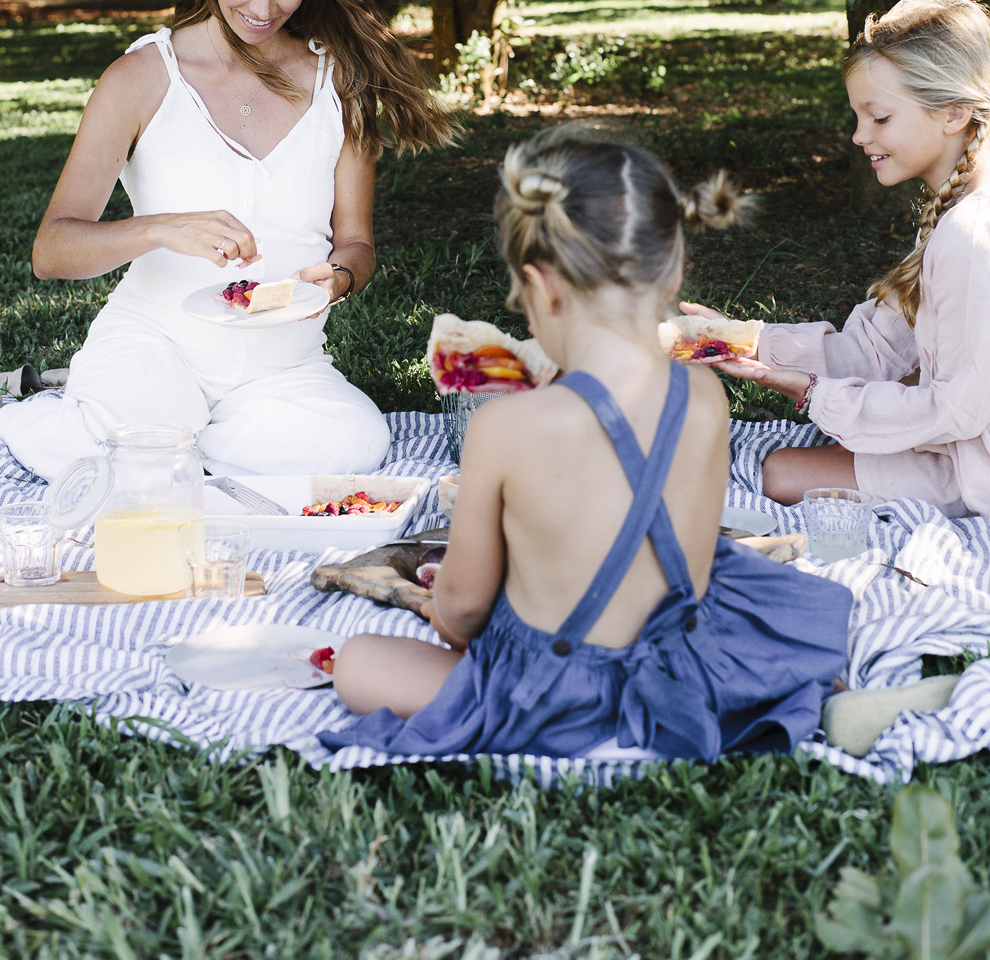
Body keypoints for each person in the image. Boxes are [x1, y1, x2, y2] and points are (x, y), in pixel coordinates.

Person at [319, 126, 857, 762]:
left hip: (549, 690)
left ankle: (589, 724)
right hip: (674, 670)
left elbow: (462, 615)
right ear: (674, 269)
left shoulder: (505, 426)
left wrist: (456, 604)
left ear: (542, 286)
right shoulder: (704, 396)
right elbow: (691, 563)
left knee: (357, 661)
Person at [0, 0, 452, 481]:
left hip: (282, 368)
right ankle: (115, 426)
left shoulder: (339, 82)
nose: (263, 8)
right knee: (130, 442)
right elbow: (51, 251)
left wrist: (339, 278)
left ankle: (168, 456)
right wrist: (161, 228)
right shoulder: (140, 78)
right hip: (154, 345)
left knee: (354, 443)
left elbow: (357, 242)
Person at [688, 0, 990, 517]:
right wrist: (745, 341)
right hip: (954, 444)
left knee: (778, 473)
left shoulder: (973, 233)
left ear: (954, 114)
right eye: (859, 117)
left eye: (879, 118)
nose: (860, 136)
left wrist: (813, 394)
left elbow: (960, 411)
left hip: (977, 471)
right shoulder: (955, 212)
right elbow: (875, 353)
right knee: (779, 468)